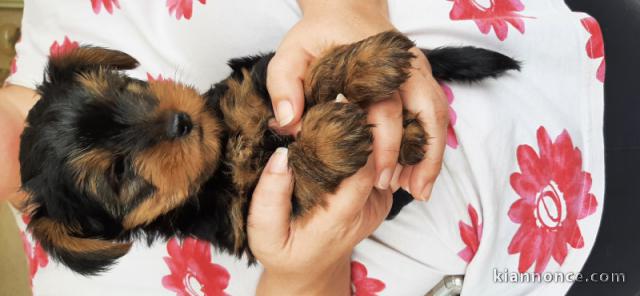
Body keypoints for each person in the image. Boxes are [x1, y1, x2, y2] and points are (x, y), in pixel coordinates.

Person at [0, 0, 605, 295]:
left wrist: (348, 14)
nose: (166, 127)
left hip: (571, 53)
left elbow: (273, 82)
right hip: (560, 252)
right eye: (124, 174)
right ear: (109, 231)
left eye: (130, 95)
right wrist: (301, 272)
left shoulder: (61, 19)